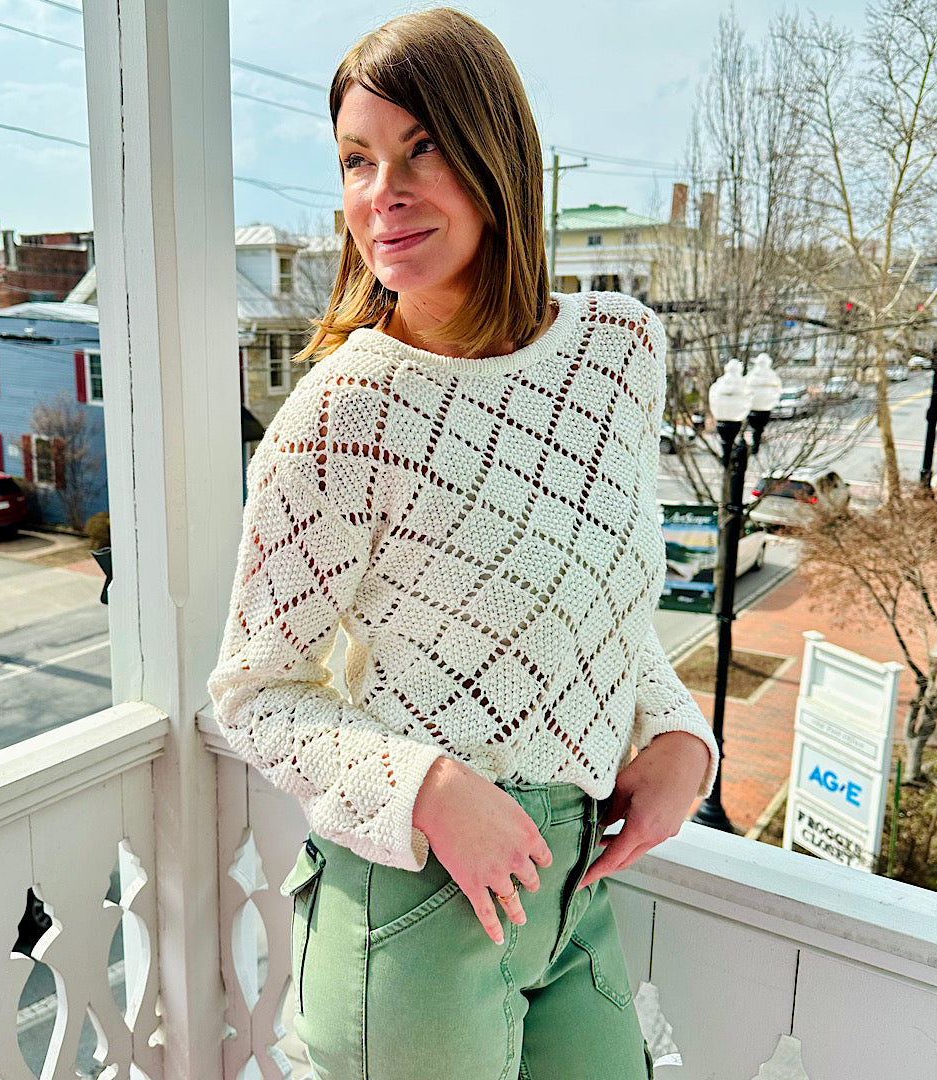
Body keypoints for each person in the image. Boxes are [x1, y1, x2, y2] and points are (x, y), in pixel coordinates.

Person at [208, 9, 718, 1079]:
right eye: (357, 161)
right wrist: (428, 790)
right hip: (413, 905)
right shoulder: (341, 413)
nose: (381, 193)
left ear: (497, 154)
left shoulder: (618, 352)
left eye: (420, 149)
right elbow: (254, 694)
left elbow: (604, 611)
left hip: (572, 888)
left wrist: (678, 736)